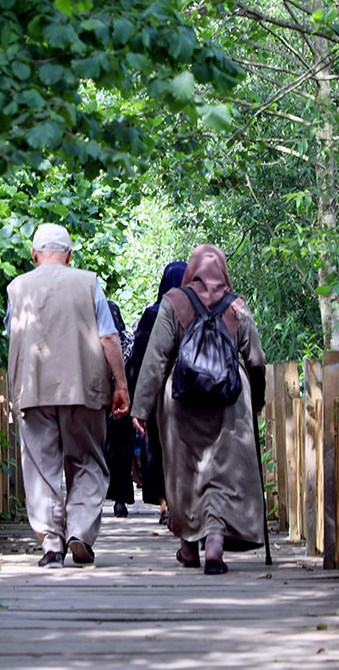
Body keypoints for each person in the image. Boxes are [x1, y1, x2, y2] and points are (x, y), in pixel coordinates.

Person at [130, 244, 267, 575]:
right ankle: (216, 544)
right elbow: (257, 360)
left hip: (180, 401)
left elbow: (156, 359)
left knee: (184, 471)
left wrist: (142, 408)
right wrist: (258, 400)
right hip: (230, 400)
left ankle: (189, 548)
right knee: (222, 471)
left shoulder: (173, 303)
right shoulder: (236, 306)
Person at [6, 223, 130, 568]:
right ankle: (79, 532)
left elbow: (12, 337)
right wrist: (120, 385)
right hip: (84, 389)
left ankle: (51, 544)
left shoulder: (17, 288)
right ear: (70, 255)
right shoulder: (88, 283)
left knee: (42, 467)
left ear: (34, 255)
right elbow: (108, 337)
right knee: (88, 460)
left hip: (33, 388)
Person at [126, 260, 187, 525]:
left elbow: (139, 360)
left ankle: (165, 505)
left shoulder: (153, 313)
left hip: (160, 392)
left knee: (158, 449)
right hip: (193, 391)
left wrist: (136, 399)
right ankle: (186, 505)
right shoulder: (199, 309)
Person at [103, 300, 136, 517]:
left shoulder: (97, 340)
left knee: (100, 451)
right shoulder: (130, 340)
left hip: (102, 403)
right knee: (124, 453)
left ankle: (94, 501)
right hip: (126, 404)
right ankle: (120, 501)